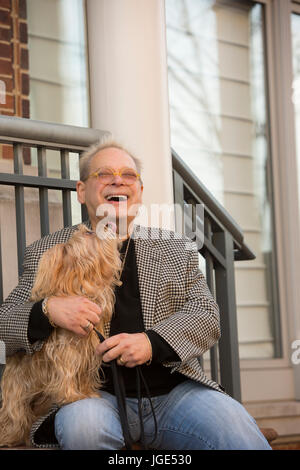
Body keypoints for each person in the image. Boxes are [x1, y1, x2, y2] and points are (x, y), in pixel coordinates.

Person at [0, 138, 271, 450]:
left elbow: (206, 316)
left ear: (139, 192)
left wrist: (151, 342)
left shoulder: (175, 247)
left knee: (235, 427)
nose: (118, 180)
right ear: (81, 190)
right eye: (104, 174)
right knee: (85, 431)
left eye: (128, 175)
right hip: (89, 394)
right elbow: (5, 323)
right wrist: (47, 310)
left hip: (175, 392)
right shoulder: (47, 251)